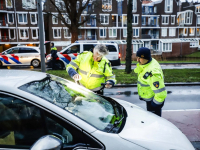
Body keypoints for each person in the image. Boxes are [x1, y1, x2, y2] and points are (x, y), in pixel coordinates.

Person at [134, 47, 167, 117]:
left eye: (140, 58)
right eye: (137, 57)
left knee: (154, 121)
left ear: (146, 58)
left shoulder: (153, 73)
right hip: (150, 97)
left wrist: (154, 104)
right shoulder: (148, 63)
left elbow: (160, 93)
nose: (137, 60)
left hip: (153, 101)